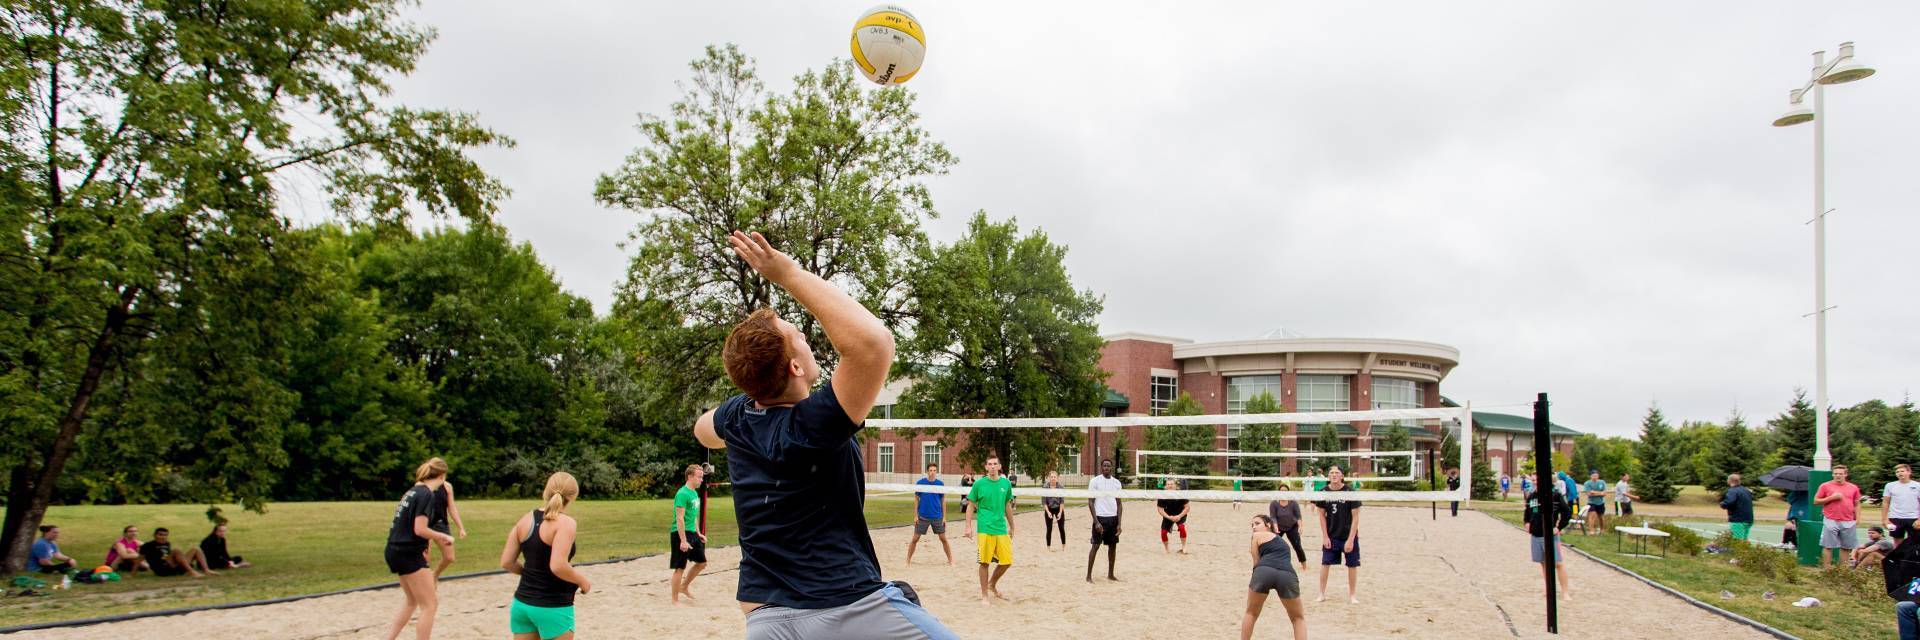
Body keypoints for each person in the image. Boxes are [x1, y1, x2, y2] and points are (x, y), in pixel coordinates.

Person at [691, 231, 955, 639]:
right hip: (846, 606)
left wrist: (743, 412)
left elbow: (702, 431)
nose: (807, 337)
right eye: (799, 335)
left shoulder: (738, 415)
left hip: (764, 617)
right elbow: (874, 343)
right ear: (795, 368)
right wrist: (788, 273)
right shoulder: (814, 424)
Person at [500, 472, 590, 640]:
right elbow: (558, 566)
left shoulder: (525, 519)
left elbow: (507, 562)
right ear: (573, 496)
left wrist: (530, 574)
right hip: (553, 605)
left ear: (546, 491)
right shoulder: (566, 523)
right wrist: (582, 581)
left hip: (522, 605)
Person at [382, 457, 459, 640]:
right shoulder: (426, 494)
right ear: (441, 476)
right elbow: (420, 529)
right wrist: (444, 536)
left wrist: (423, 545)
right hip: (408, 553)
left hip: (394, 549)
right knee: (430, 605)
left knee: (412, 601)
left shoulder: (412, 491)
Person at [1241, 515, 1308, 640]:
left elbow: (1256, 562)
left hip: (1264, 571)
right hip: (1287, 574)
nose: (1254, 527)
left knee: (1251, 613)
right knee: (1298, 618)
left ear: (1268, 524)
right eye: (1252, 525)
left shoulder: (1256, 536)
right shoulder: (1282, 542)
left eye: (1257, 523)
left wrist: (1256, 580)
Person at [964, 455, 1016, 605]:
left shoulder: (1006, 483)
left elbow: (1007, 506)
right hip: (985, 528)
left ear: (999, 466)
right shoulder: (979, 484)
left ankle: (992, 584)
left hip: (1001, 528)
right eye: (989, 464)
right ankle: (984, 595)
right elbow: (970, 505)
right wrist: (968, 526)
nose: (992, 466)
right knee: (984, 562)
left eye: (995, 464)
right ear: (986, 467)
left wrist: (1012, 526)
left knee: (1007, 561)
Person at [1313, 466, 1361, 604]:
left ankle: (1352, 595)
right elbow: (1321, 516)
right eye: (1331, 473)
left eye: (1337, 473)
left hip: (1348, 535)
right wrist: (1325, 536)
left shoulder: (1350, 492)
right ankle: (1321, 594)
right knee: (1325, 563)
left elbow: (1356, 518)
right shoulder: (1323, 492)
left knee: (1352, 565)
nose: (1334, 475)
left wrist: (1351, 539)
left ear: (1342, 476)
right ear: (1328, 476)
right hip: (1331, 535)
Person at [1525, 483, 1573, 599]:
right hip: (1536, 533)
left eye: (1537, 480)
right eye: (1533, 480)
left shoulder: (1555, 495)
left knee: (1557, 563)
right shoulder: (1532, 496)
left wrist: (1559, 527)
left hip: (1550, 535)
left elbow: (1567, 512)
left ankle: (1565, 592)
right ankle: (1549, 588)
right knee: (1543, 562)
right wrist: (1527, 522)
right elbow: (1528, 511)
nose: (1535, 483)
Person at [670, 464, 709, 606]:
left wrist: (699, 533)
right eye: (699, 477)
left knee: (702, 563)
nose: (701, 480)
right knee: (680, 567)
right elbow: (679, 519)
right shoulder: (682, 494)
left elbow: (693, 516)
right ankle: (674, 600)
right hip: (680, 533)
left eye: (702, 477)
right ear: (690, 476)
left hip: (692, 532)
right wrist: (683, 540)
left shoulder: (694, 493)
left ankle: (684, 587)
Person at [1815, 465, 1864, 568]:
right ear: (1832, 474)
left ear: (1845, 475)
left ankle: (1842, 570)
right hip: (1831, 519)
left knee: (1846, 547)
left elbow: (1857, 503)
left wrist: (1858, 518)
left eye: (1840, 474)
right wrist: (1831, 498)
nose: (1838, 476)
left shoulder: (1853, 487)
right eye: (1835, 473)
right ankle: (1827, 568)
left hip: (1848, 520)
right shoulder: (1825, 486)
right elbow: (1816, 501)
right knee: (1828, 545)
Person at [907, 463, 954, 565]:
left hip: (937, 516)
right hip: (922, 516)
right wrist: (915, 515)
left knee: (943, 539)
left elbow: (943, 501)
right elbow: (916, 499)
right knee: (915, 539)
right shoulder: (920, 483)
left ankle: (950, 560)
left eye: (934, 470)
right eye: (931, 470)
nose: (932, 472)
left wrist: (944, 517)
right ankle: (908, 560)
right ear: (927, 471)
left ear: (936, 472)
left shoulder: (940, 484)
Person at [1086, 458, 1124, 582]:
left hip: (1113, 518)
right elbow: (1090, 502)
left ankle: (1110, 574)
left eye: (1108, 465)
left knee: (1112, 547)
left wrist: (1119, 523)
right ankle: (1088, 576)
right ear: (1101, 467)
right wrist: (1096, 521)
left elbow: (1119, 503)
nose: (1106, 467)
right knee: (1095, 545)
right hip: (1100, 518)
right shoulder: (1095, 481)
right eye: (1104, 465)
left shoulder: (1117, 483)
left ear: (1111, 467)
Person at [428, 468, 467, 579]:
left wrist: (461, 527)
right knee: (425, 557)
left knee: (449, 557)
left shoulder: (447, 486)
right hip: (425, 524)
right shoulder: (423, 485)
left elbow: (452, 508)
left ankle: (434, 575)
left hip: (441, 523)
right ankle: (426, 582)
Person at [1265, 482, 1309, 567]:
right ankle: (1270, 563)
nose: (1283, 493)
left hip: (1292, 526)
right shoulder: (1274, 503)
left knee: (1297, 546)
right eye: (1281, 491)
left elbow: (1298, 516)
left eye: (1285, 491)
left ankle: (1304, 565)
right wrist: (1275, 527)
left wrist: (1300, 527)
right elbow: (1273, 517)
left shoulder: (1293, 503)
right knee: (1272, 545)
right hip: (1278, 527)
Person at [141, 527, 214, 578]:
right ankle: (192, 572)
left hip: (172, 566)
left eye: (165, 535)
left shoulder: (167, 543)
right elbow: (140, 558)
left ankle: (206, 570)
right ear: (155, 535)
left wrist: (177, 559)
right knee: (176, 551)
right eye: (160, 535)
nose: (163, 537)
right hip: (162, 569)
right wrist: (134, 573)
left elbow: (167, 555)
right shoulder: (148, 545)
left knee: (196, 549)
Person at [1886, 464, 1920, 541]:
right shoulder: (1890, 485)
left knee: (1915, 541)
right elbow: (1886, 502)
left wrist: (1919, 519)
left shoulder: (1917, 486)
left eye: (1902, 471)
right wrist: (1884, 519)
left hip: (1913, 518)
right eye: (1897, 472)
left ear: (1909, 472)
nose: (1899, 473)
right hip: (1895, 517)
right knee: (1897, 541)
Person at [1157, 479, 1192, 554]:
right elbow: (1160, 510)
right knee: (1163, 532)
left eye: (1172, 484)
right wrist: (1168, 517)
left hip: (1180, 514)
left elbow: (1187, 507)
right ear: (1165, 486)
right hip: (1168, 515)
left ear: (1175, 486)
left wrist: (1179, 516)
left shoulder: (1181, 494)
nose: (1170, 486)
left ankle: (1184, 547)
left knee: (1181, 527)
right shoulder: (1162, 495)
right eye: (1168, 484)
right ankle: (1167, 549)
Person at [1721, 473, 1755, 541]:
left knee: (1737, 541)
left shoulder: (1733, 491)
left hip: (1738, 519)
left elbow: (1729, 502)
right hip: (1749, 519)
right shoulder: (1746, 490)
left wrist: (1723, 504)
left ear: (1729, 481)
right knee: (1744, 540)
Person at [1041, 471, 1067, 551]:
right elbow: (1044, 502)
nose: (1053, 478)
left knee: (1061, 528)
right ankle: (1048, 547)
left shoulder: (1060, 487)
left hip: (1058, 508)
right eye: (1051, 477)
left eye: (1054, 477)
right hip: (1049, 508)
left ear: (1057, 478)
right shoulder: (1045, 487)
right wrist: (1048, 512)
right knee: (1049, 528)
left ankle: (1063, 545)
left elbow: (1062, 501)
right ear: (1049, 478)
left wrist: (1060, 512)